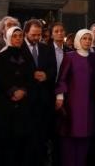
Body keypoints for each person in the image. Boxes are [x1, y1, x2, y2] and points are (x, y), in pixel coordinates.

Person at [0, 26, 34, 166]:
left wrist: (23, 90)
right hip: (6, 103)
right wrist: (13, 91)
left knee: (20, 139)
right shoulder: (1, 56)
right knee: (5, 139)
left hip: (23, 103)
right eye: (15, 36)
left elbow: (31, 77)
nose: (18, 39)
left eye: (20, 36)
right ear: (9, 38)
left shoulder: (27, 56)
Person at [56, 29, 95, 166]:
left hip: (89, 102)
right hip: (72, 102)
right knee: (70, 133)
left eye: (89, 39)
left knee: (85, 134)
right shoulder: (70, 56)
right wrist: (60, 96)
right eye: (84, 38)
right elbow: (62, 78)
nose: (87, 41)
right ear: (78, 40)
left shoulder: (94, 57)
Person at [21, 19, 57, 165]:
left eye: (39, 35)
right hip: (25, 99)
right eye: (33, 35)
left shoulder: (46, 48)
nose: (37, 38)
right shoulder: (19, 47)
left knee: (41, 135)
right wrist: (32, 75)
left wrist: (46, 75)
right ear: (25, 33)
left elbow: (53, 68)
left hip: (42, 99)